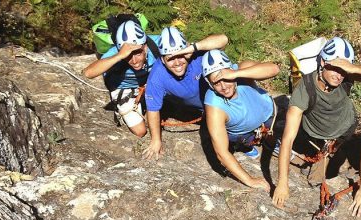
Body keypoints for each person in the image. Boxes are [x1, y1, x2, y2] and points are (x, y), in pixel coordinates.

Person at [272, 37, 361, 207]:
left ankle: (336, 152)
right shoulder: (305, 89)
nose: (339, 75)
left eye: (342, 70)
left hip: (347, 127)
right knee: (316, 179)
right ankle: (328, 155)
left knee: (350, 158)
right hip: (317, 135)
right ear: (322, 62)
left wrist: (352, 68)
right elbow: (287, 140)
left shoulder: (346, 75)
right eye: (334, 68)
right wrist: (282, 183)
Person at [142, 27, 228, 160]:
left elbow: (223, 39)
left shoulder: (198, 56)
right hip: (204, 109)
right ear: (162, 59)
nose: (177, 63)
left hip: (223, 99)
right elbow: (153, 109)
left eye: (180, 56)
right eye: (170, 59)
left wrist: (194, 48)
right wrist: (156, 140)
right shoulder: (157, 75)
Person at [202, 49, 279, 192]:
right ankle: (246, 146)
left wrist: (236, 74)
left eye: (226, 78)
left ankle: (272, 142)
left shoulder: (242, 71)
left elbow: (274, 69)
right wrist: (250, 180)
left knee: (277, 132)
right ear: (210, 84)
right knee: (237, 138)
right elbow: (221, 153)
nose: (224, 86)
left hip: (269, 117)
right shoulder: (214, 106)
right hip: (244, 134)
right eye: (217, 83)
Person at [82, 20, 159, 138]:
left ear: (145, 47)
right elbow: (88, 73)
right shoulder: (114, 54)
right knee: (140, 131)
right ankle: (122, 108)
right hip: (125, 88)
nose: (134, 61)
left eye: (138, 53)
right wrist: (119, 56)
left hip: (151, 84)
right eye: (128, 55)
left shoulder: (156, 43)